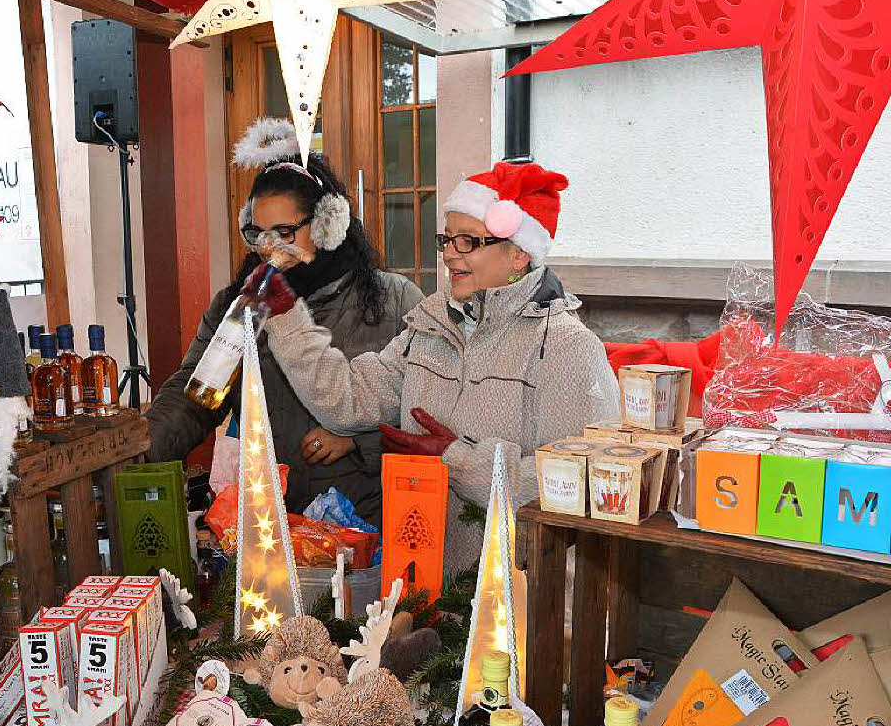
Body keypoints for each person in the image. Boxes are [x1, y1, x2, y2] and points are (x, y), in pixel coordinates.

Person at [249, 161, 620, 570]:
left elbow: (586, 483)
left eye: (468, 242)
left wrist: (455, 459)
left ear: (518, 254)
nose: (449, 255)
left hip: (515, 596)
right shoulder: (431, 327)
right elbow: (348, 402)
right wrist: (286, 316)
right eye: (447, 239)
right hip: (422, 575)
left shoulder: (568, 348)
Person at [145, 119, 423, 525]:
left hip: (365, 522)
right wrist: (139, 446)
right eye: (257, 232)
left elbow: (424, 412)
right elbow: (197, 398)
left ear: (328, 224)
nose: (269, 246)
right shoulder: (238, 303)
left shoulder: (394, 301)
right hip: (268, 520)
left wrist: (361, 439)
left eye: (285, 231)